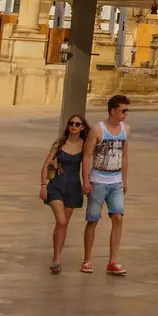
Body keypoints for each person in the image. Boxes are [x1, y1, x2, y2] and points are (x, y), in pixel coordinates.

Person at [81, 93, 132, 276]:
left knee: (118, 217)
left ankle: (113, 260)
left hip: (116, 181)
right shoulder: (97, 130)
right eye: (123, 111)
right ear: (112, 111)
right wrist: (86, 180)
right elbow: (86, 156)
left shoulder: (126, 129)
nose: (126, 114)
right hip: (98, 181)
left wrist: (124, 179)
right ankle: (87, 259)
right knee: (93, 219)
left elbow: (124, 156)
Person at [39, 113, 89, 274]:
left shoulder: (85, 145)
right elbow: (46, 165)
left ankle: (57, 257)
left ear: (82, 127)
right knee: (61, 221)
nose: (73, 126)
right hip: (56, 185)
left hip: (73, 186)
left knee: (64, 224)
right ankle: (56, 258)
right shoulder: (59, 143)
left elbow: (88, 164)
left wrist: (87, 182)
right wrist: (43, 186)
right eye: (71, 123)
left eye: (77, 124)